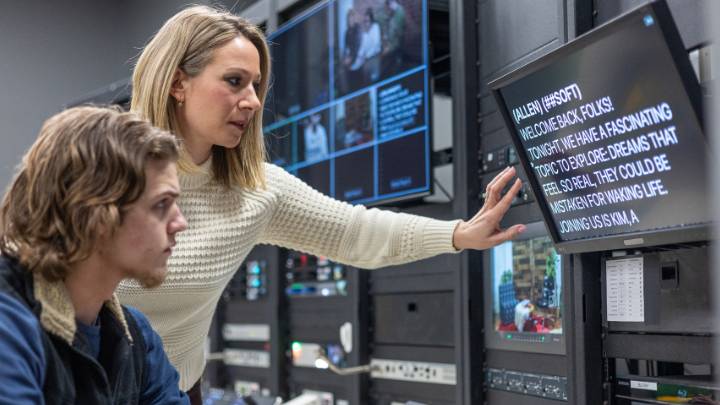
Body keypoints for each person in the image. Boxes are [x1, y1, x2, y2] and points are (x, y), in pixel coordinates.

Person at [120, 5, 525, 403]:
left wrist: (457, 234)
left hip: (172, 390)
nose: (252, 101)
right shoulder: (107, 174)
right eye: (234, 81)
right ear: (177, 83)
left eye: (255, 86)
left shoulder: (256, 190)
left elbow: (353, 232)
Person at [0, 106, 189, 404]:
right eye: (162, 204)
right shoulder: (9, 322)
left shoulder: (136, 336)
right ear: (96, 215)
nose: (181, 223)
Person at [351, 8, 383, 82]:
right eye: (364, 21)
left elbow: (375, 44)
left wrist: (366, 56)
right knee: (365, 78)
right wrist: (359, 55)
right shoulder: (364, 33)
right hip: (366, 59)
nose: (366, 23)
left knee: (375, 78)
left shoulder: (375, 27)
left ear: (371, 20)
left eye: (367, 21)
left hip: (375, 57)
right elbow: (362, 46)